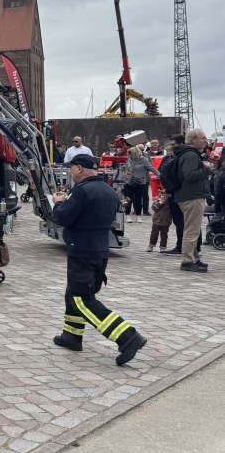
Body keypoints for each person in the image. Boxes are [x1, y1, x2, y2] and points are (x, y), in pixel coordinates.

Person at [52, 154, 146, 366]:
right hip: (99, 250)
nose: (70, 172)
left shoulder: (82, 190)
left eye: (71, 168)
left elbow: (63, 218)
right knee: (73, 293)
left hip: (82, 251)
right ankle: (71, 336)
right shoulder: (108, 190)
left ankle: (127, 337)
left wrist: (58, 203)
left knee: (81, 298)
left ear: (79, 169)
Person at [174, 128, 211, 273]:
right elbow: (189, 175)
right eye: (203, 138)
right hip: (191, 196)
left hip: (190, 195)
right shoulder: (191, 155)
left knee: (194, 229)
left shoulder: (188, 153)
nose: (205, 141)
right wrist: (207, 168)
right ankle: (188, 260)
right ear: (193, 139)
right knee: (192, 229)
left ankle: (194, 258)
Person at [123, 144, 156, 222]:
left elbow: (152, 168)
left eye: (130, 154)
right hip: (129, 182)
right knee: (127, 199)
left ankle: (138, 215)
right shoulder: (129, 160)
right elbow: (126, 170)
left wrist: (160, 175)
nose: (129, 155)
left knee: (139, 199)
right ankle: (127, 215)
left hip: (140, 182)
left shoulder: (144, 160)